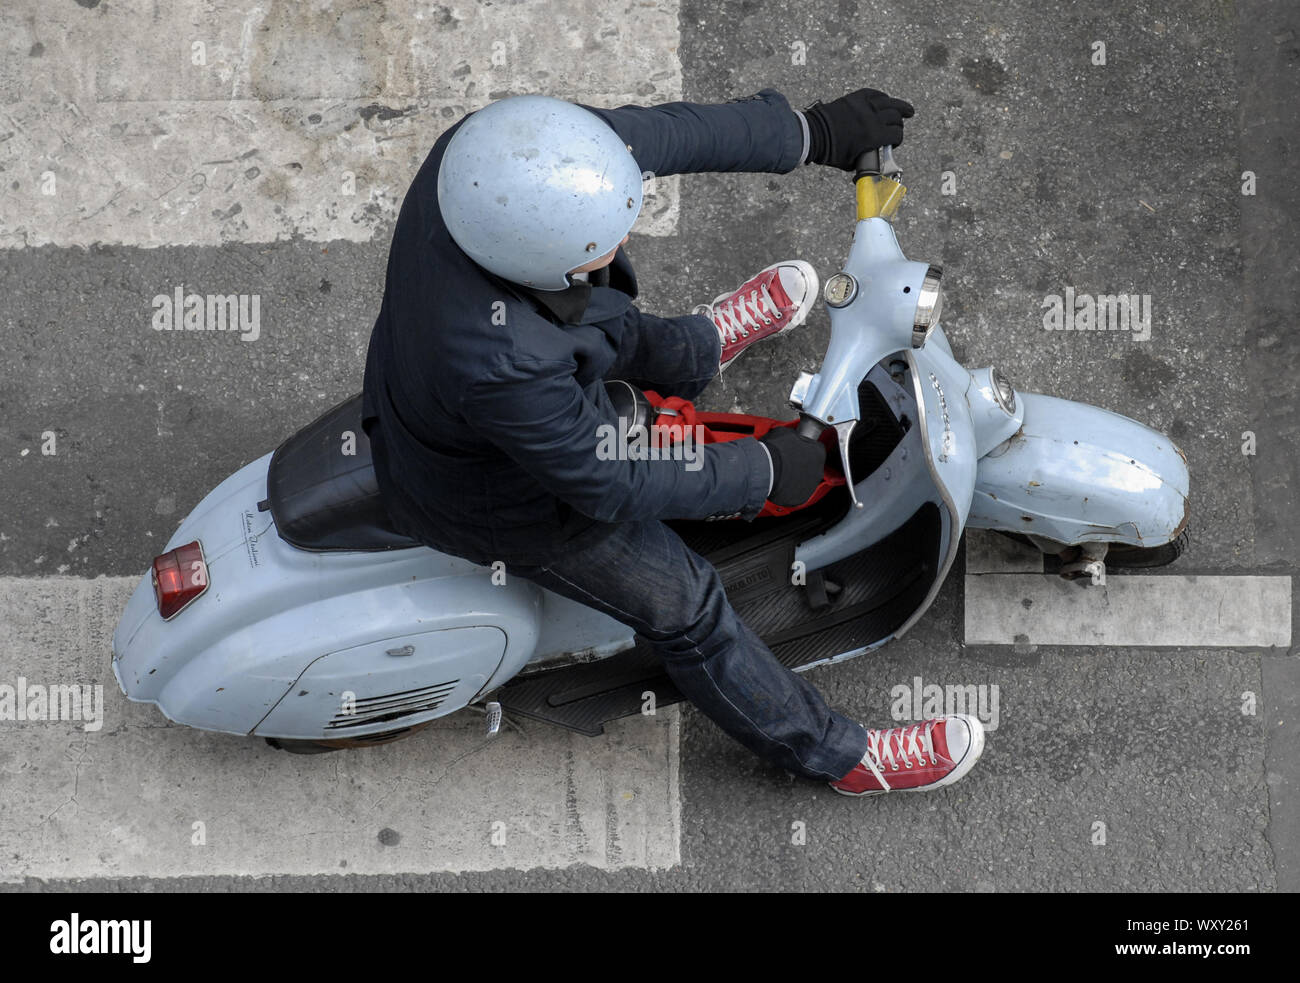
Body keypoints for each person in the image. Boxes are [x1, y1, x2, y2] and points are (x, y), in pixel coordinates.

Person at [361, 86, 985, 795]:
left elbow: (661, 134)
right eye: (606, 239)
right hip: (504, 498)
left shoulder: (492, 160)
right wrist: (761, 468)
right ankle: (838, 756)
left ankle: (702, 347)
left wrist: (809, 133)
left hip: (491, 367)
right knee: (687, 605)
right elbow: (611, 477)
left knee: (627, 331)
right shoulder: (502, 360)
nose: (626, 233)